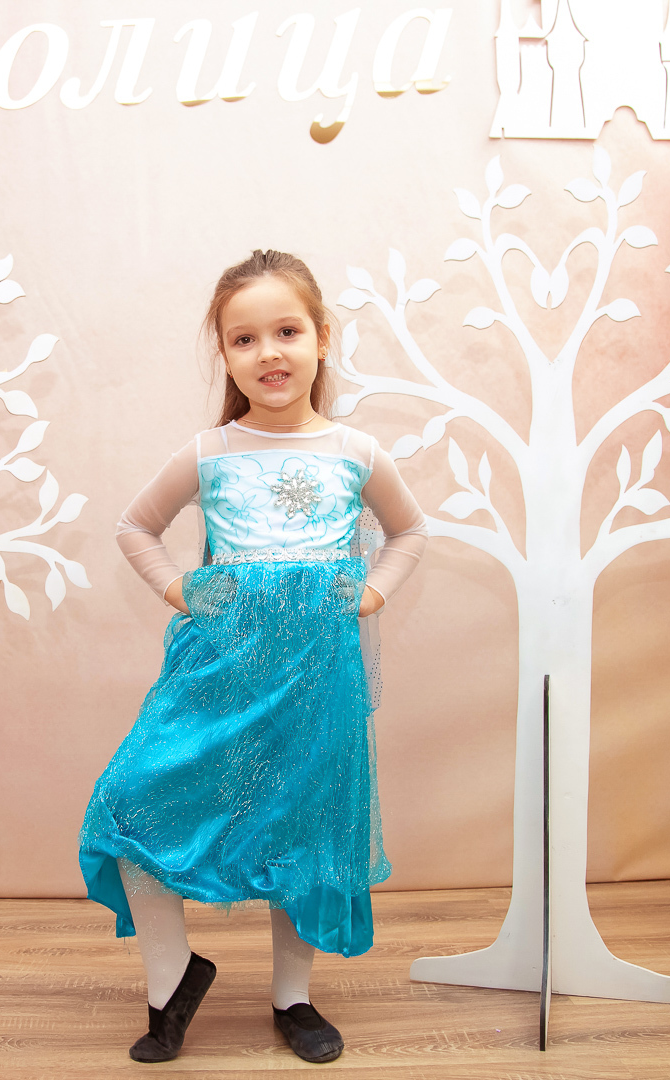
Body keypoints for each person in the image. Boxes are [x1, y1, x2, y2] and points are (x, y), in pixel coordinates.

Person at [77, 249, 428, 1064]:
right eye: (244, 339)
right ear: (226, 356)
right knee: (130, 802)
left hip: (317, 678)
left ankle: (292, 998)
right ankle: (170, 983)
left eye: (287, 331)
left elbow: (409, 530)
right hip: (219, 672)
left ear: (322, 338)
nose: (268, 352)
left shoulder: (355, 451)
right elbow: (135, 527)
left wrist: (372, 593)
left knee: (303, 827)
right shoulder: (210, 452)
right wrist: (179, 589)